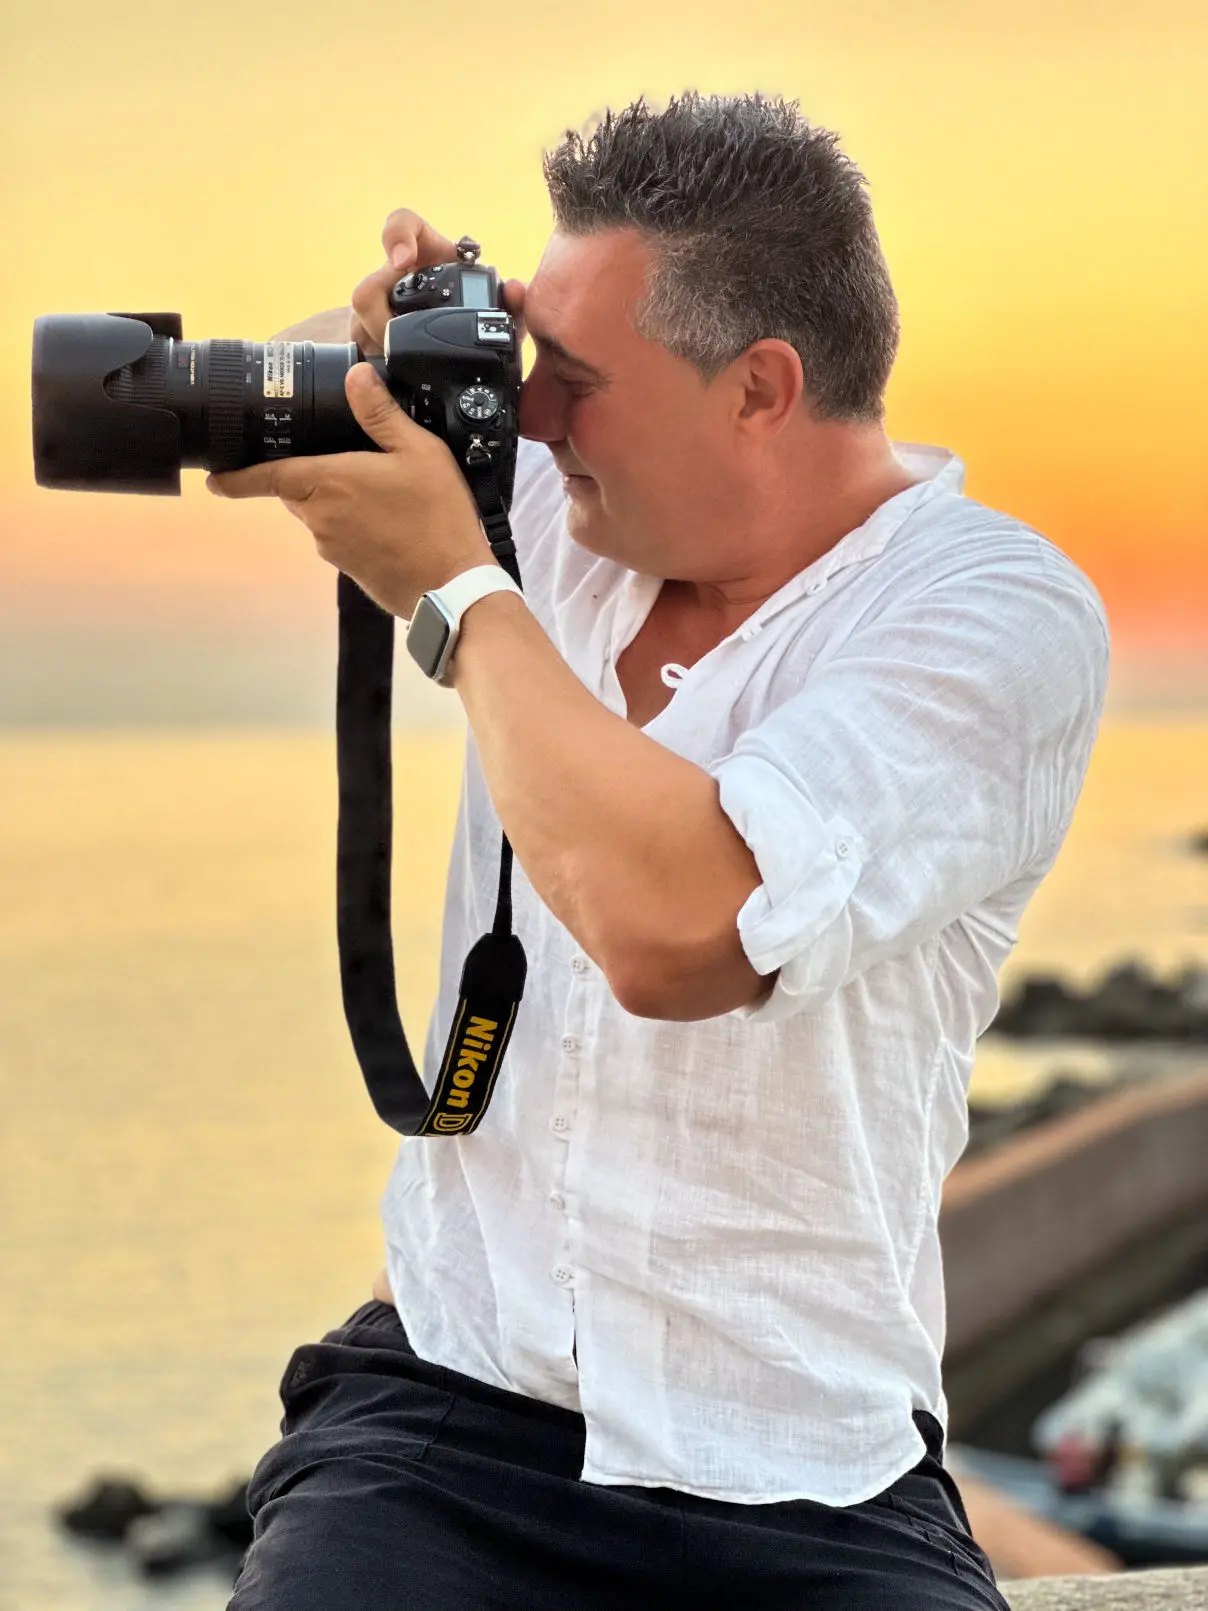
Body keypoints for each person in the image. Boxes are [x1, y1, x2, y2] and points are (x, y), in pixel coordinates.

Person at [213, 91, 1109, 1610]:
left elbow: (681, 932)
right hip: (451, 1411)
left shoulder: (991, 616)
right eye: (531, 371)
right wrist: (394, 345)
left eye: (575, 382)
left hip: (805, 1462)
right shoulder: (565, 512)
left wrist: (459, 596)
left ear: (760, 387)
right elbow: (249, 446)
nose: (537, 421)